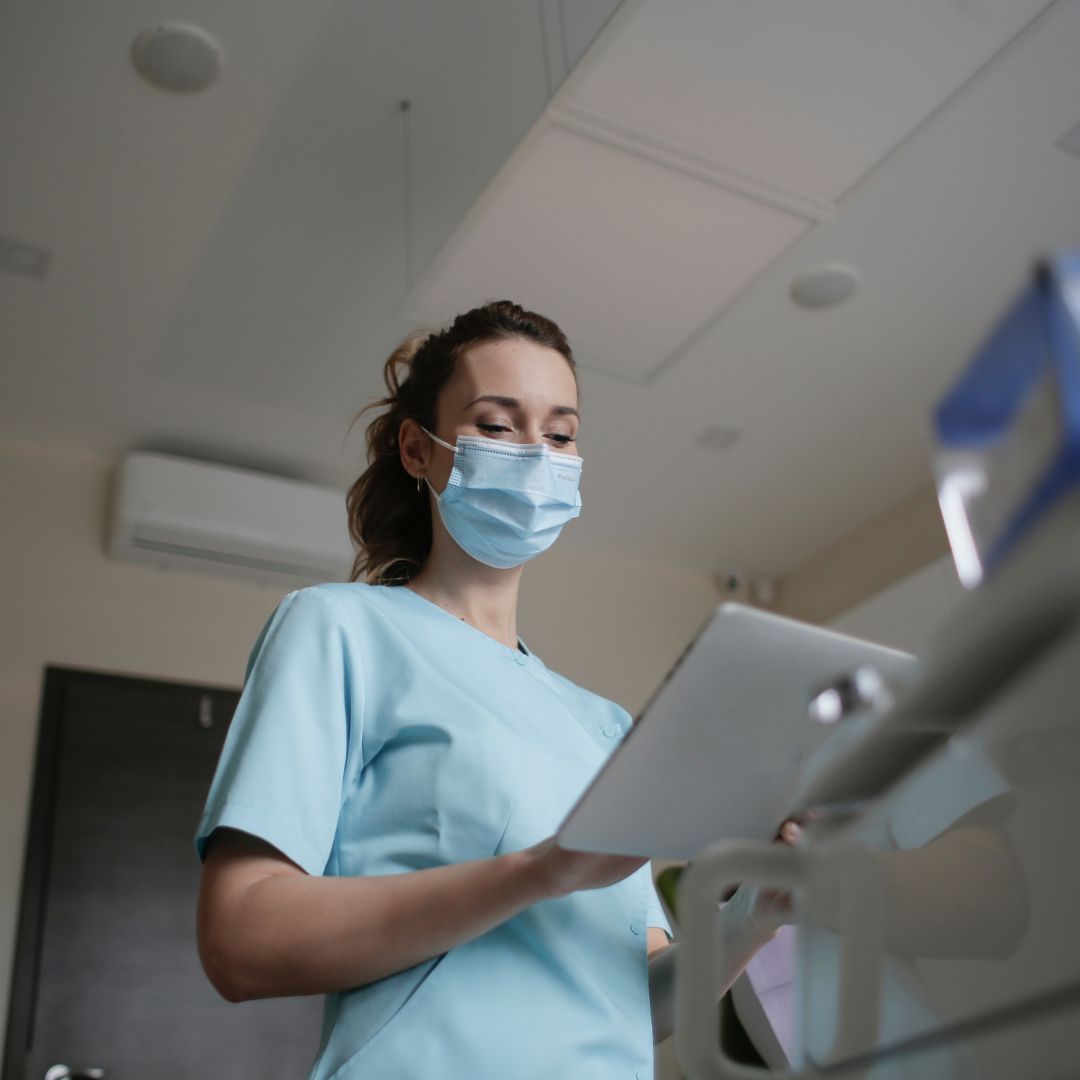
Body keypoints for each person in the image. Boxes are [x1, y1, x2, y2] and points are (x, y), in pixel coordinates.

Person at [194, 300, 785, 1079]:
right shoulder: (340, 629)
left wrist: (755, 917)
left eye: (561, 435)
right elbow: (240, 940)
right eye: (499, 426)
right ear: (418, 450)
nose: (537, 456)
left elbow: (629, 1003)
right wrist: (539, 871)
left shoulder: (603, 726)